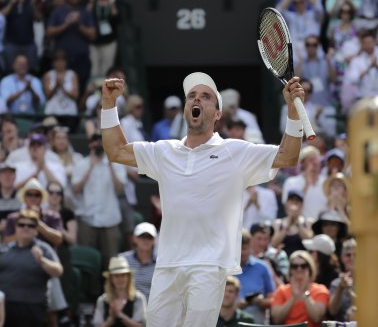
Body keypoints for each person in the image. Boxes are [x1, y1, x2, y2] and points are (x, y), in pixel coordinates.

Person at [99, 72, 304, 327]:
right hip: (167, 265)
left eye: (206, 97)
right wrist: (108, 104)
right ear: (186, 108)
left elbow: (287, 156)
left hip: (209, 265)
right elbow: (116, 150)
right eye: (192, 96)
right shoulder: (164, 151)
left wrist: (293, 110)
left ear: (217, 114)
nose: (197, 100)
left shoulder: (236, 151)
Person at [0, 208, 63, 327]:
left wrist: (42, 261)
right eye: (21, 224)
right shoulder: (4, 249)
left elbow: (58, 271)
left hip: (33, 307)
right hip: (6, 307)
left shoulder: (43, 249)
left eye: (31, 225)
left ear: (36, 230)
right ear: (16, 228)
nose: (26, 228)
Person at [71, 133, 126, 269]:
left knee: (111, 262)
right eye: (94, 142)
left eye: (101, 142)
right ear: (89, 145)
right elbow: (76, 189)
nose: (97, 145)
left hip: (110, 220)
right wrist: (91, 166)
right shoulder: (81, 164)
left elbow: (120, 189)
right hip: (88, 219)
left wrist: (110, 164)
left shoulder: (116, 163)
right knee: (87, 261)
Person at [271, 250, 329, 327]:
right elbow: (276, 319)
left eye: (303, 266)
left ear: (310, 268)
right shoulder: (281, 291)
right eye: (295, 266)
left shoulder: (320, 290)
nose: (299, 269)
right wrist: (293, 297)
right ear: (290, 270)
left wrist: (305, 293)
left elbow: (316, 317)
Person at [93, 256, 147, 327]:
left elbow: (141, 325)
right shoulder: (102, 300)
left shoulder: (138, 298)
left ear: (128, 277)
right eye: (116, 276)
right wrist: (111, 319)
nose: (120, 279)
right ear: (111, 278)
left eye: (123, 275)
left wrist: (120, 315)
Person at [236, 230, 275, 324]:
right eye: (237, 249)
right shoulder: (225, 269)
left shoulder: (262, 267)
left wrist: (261, 302)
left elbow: (273, 299)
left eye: (244, 248)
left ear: (250, 247)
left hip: (256, 323)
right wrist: (235, 305)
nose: (241, 253)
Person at [119, 222, 157, 302]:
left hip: (152, 308)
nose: (145, 240)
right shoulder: (122, 260)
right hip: (128, 306)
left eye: (149, 237)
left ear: (154, 240)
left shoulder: (160, 263)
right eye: (142, 237)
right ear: (134, 239)